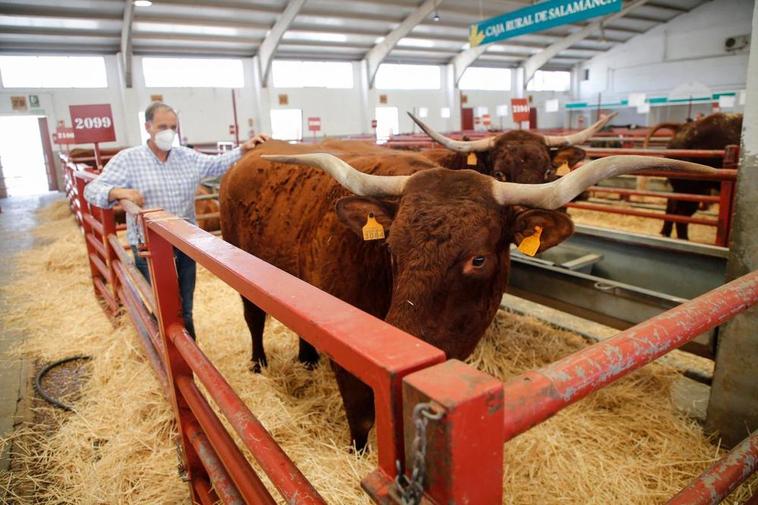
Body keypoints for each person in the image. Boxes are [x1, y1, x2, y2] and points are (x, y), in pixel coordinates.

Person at [83, 102, 270, 338]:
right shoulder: (128, 159)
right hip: (149, 249)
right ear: (148, 127)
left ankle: (187, 358)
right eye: (163, 126)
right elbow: (92, 190)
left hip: (184, 247)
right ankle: (168, 355)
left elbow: (216, 164)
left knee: (185, 309)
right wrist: (119, 193)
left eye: (173, 127)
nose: (169, 132)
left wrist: (243, 149)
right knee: (161, 308)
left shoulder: (186, 157)